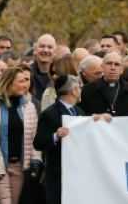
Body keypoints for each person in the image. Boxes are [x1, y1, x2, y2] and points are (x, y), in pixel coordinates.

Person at [0, 66, 43, 204]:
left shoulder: (29, 107)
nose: (24, 85)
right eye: (20, 81)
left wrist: (36, 160)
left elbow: (34, 137)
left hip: (20, 166)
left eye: (25, 81)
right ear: (9, 82)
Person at [33, 75, 88, 204]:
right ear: (73, 91)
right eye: (79, 88)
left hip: (78, 170)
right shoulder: (50, 113)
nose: (80, 91)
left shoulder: (79, 111)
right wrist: (55, 136)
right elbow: (38, 142)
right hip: (58, 173)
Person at [77, 52, 128, 117]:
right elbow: (80, 115)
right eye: (109, 63)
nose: (112, 67)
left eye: (117, 64)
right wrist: (94, 117)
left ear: (122, 70)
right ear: (102, 67)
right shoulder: (87, 90)